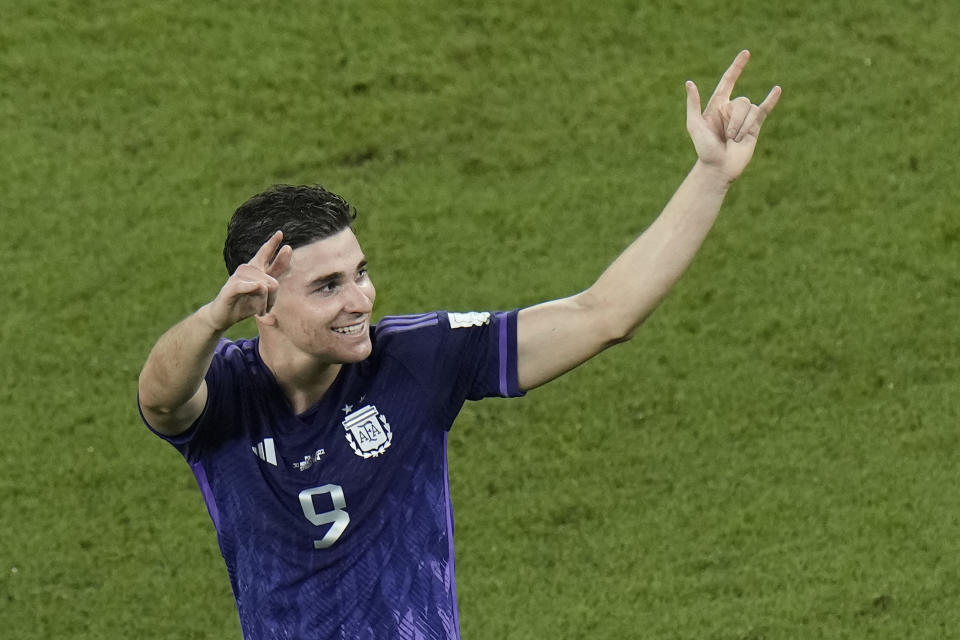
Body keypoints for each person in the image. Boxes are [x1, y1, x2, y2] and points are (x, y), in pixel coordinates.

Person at [137, 50, 780, 639]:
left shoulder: (419, 358)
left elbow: (602, 314)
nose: (361, 299)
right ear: (263, 304)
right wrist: (210, 320)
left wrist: (711, 175)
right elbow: (161, 399)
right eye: (328, 286)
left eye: (359, 272)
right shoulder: (224, 392)